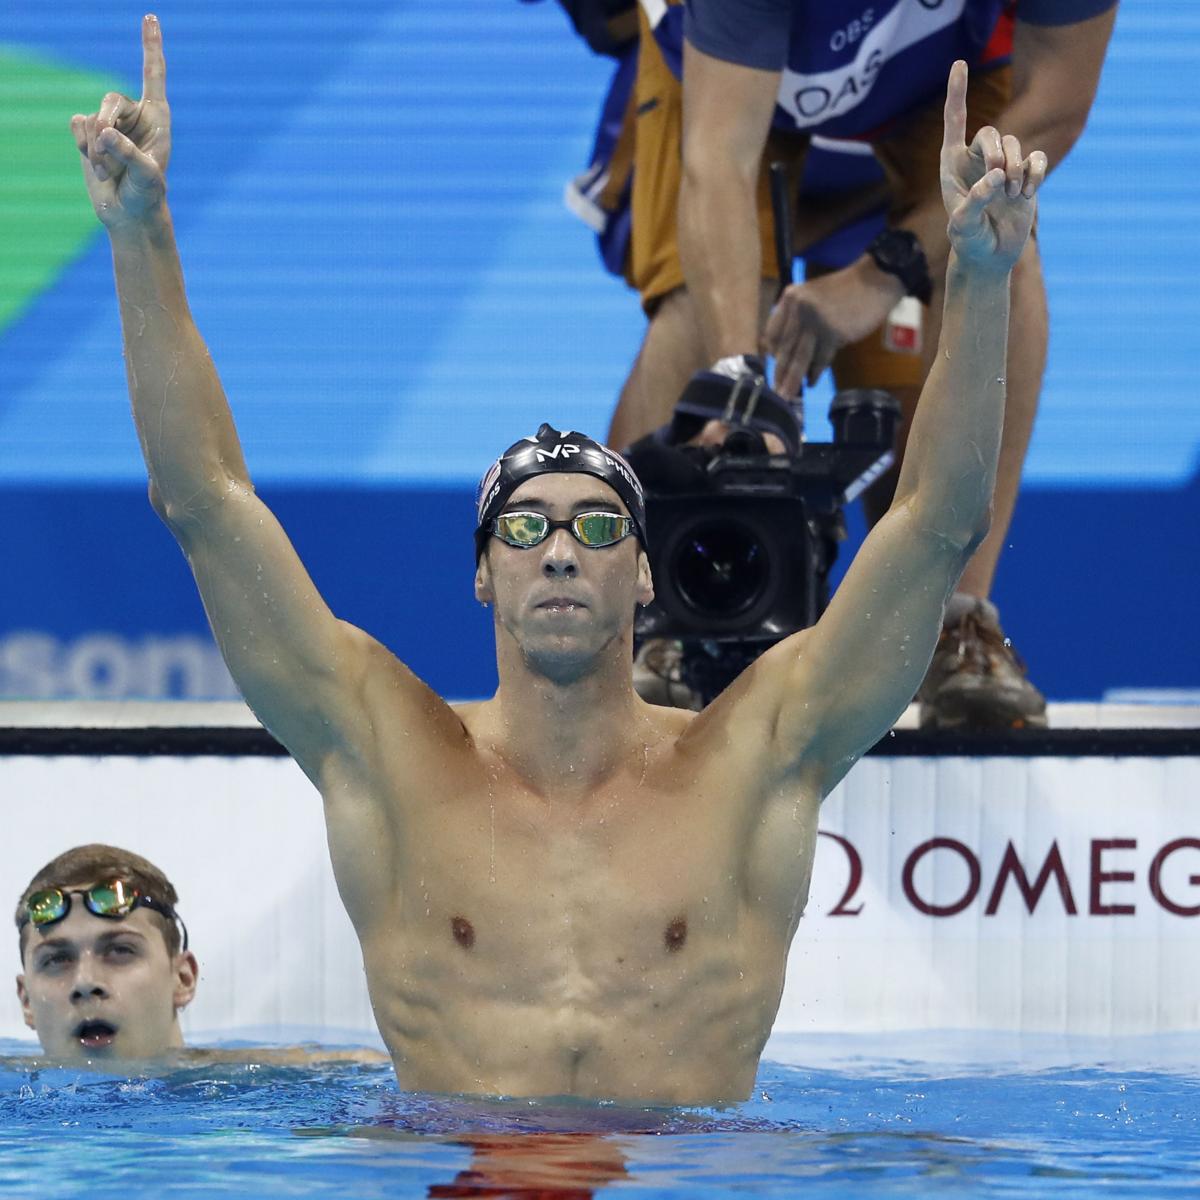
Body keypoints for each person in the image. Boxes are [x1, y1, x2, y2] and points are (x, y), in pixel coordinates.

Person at [72, 16, 1042, 1102]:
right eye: (526, 528)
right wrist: (141, 237)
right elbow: (204, 500)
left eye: (596, 527)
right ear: (485, 573)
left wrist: (985, 275)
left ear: (643, 572)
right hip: (455, 1169)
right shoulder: (385, 753)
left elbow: (935, 522)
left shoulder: (758, 750)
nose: (562, 552)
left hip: (691, 1176)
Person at [617, 0, 1117, 729]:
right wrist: (745, 393)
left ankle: (958, 622)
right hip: (727, 82)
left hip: (939, 83)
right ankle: (663, 615)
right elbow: (718, 164)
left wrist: (883, 274)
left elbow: (1057, 103)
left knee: (998, 240)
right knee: (706, 318)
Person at [13, 843, 385, 1067]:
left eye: (119, 951)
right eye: (56, 960)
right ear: (26, 1000)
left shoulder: (286, 1082)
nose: (85, 982)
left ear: (184, 978)